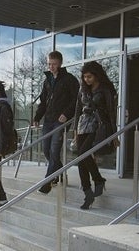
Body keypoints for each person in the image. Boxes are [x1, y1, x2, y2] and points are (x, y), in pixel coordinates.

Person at [33, 51, 80, 194]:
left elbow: (77, 100)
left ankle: (48, 181)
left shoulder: (69, 79)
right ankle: (59, 173)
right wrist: (36, 117)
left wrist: (66, 114)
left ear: (60, 63)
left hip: (61, 121)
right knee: (46, 150)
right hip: (48, 120)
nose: (51, 66)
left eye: (53, 64)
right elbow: (43, 102)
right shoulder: (47, 81)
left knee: (54, 150)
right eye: (49, 64)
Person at [73, 61, 117, 209]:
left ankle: (98, 180)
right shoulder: (82, 89)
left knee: (83, 154)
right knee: (80, 158)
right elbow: (77, 111)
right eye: (85, 77)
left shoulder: (105, 89)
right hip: (82, 125)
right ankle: (88, 191)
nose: (87, 80)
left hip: (98, 126)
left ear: (97, 75)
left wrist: (114, 134)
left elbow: (111, 112)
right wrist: (75, 132)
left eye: (90, 76)